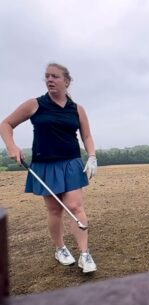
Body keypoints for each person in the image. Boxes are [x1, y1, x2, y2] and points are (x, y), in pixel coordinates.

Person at [0, 63, 98, 273]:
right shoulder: (35, 104)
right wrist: (11, 146)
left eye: (55, 76)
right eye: (47, 76)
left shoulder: (76, 109)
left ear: (67, 81)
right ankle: (60, 248)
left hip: (71, 162)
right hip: (45, 165)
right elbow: (5, 124)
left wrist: (92, 156)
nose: (50, 80)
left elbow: (87, 136)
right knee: (54, 210)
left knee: (75, 207)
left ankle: (84, 254)